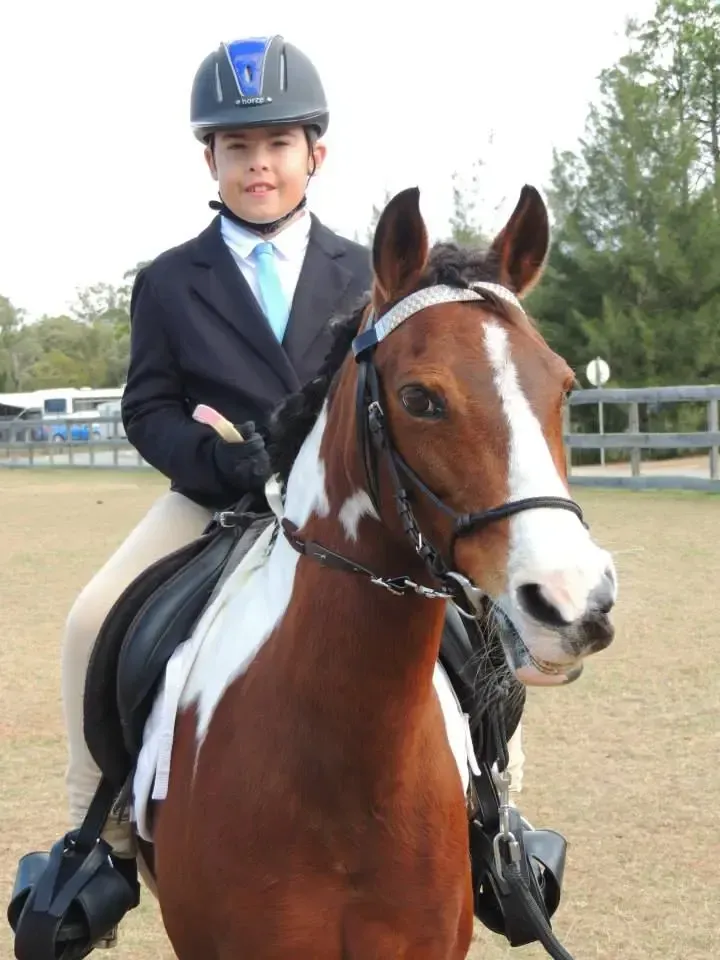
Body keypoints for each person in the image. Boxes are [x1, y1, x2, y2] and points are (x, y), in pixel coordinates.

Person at [7, 35, 373, 952]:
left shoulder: (368, 274)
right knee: (91, 618)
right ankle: (103, 842)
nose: (259, 164)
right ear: (208, 158)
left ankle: (496, 813)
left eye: (278, 144)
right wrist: (229, 469)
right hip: (216, 500)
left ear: (315, 155)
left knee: (466, 614)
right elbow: (149, 405)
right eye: (238, 148)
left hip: (341, 511)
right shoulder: (170, 280)